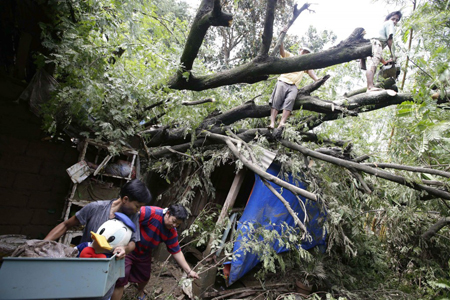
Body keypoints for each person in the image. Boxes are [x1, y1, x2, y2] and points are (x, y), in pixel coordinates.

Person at [44, 179, 152, 300]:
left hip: (105, 278)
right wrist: (42, 245)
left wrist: (125, 249)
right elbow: (66, 225)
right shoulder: (96, 208)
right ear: (125, 199)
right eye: (137, 206)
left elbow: (133, 242)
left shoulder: (132, 217)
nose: (138, 210)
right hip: (81, 269)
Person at [112, 204, 199, 300]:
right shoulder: (150, 213)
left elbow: (176, 251)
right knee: (121, 276)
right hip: (128, 247)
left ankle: (140, 291)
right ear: (168, 213)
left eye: (178, 224)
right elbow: (131, 216)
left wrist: (189, 271)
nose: (174, 225)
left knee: (145, 276)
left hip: (144, 252)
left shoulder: (171, 232)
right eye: (174, 221)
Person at [269, 41, 319, 129]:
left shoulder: (305, 64)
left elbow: (311, 71)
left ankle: (281, 123)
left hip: (294, 86)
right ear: (300, 50)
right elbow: (282, 52)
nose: (305, 54)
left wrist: (318, 80)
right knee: (276, 101)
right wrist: (282, 41)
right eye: (304, 51)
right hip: (283, 81)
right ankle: (272, 123)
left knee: (290, 100)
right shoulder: (291, 56)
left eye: (307, 53)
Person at [366, 11, 402, 92]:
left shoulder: (381, 27)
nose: (395, 21)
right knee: (372, 65)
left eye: (397, 20)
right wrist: (393, 55)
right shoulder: (389, 23)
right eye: (393, 19)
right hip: (376, 44)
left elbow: (377, 53)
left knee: (372, 64)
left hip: (371, 45)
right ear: (389, 18)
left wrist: (384, 62)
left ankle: (369, 87)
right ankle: (370, 87)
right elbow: (390, 39)